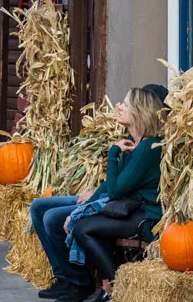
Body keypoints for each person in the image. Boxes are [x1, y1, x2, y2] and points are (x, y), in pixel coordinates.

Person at [31, 88, 163, 302]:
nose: (119, 106)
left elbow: (115, 190)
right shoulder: (134, 142)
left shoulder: (147, 148)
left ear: (139, 112)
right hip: (120, 204)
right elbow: (114, 186)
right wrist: (88, 202)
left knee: (61, 220)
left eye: (125, 104)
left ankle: (99, 286)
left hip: (142, 214)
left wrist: (113, 153)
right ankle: (67, 279)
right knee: (39, 207)